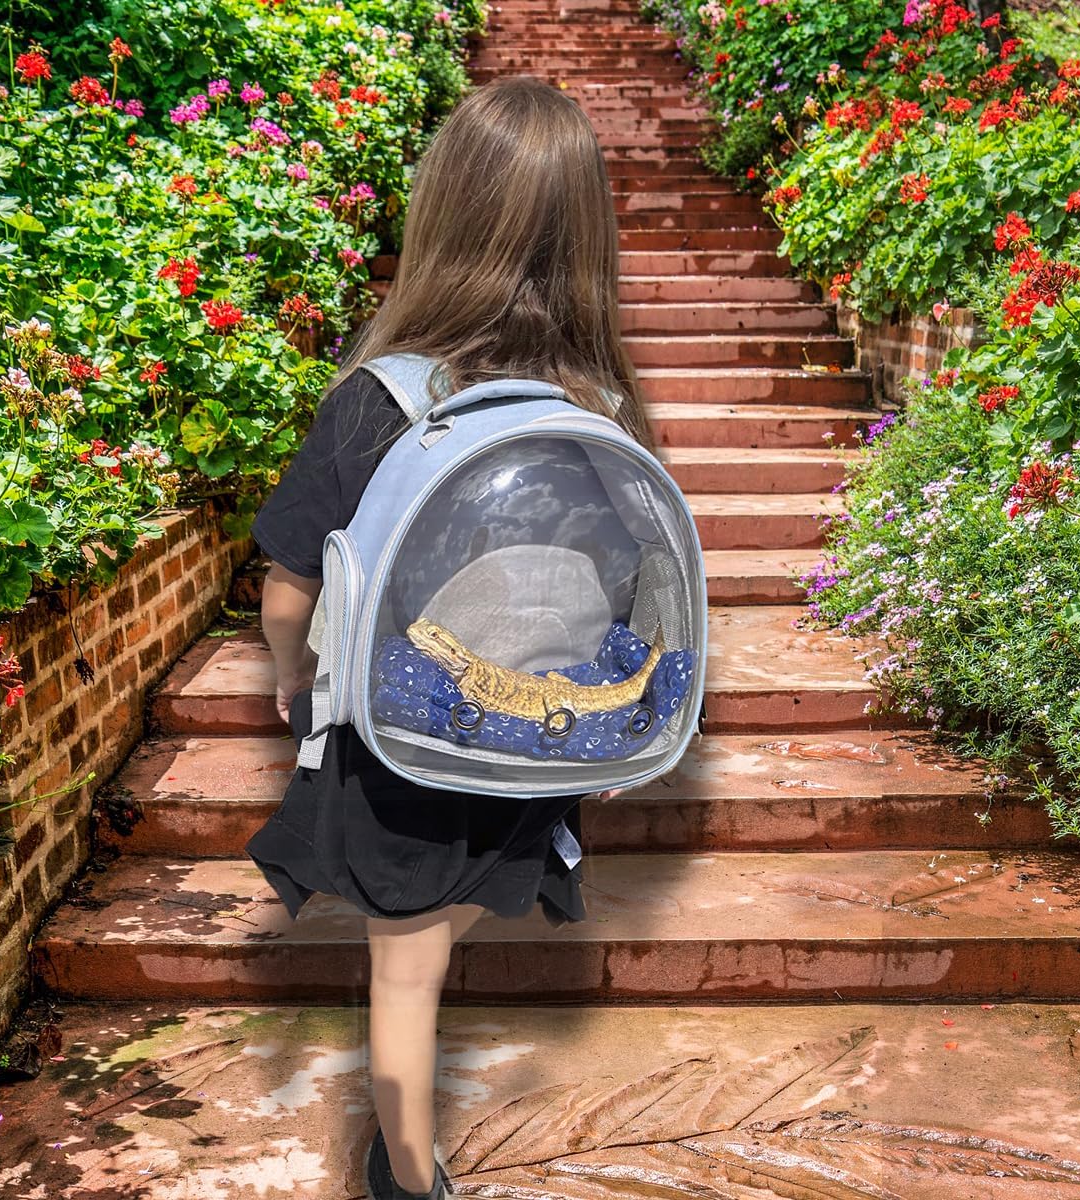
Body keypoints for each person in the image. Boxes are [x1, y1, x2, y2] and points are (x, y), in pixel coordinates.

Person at [245, 75, 656, 1200]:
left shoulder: (374, 400)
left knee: (405, 970)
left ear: (444, 214)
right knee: (442, 928)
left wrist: (293, 677)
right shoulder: (601, 405)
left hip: (399, 735)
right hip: (534, 736)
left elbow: (288, 583)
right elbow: (626, 580)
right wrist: (615, 731)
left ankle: (411, 1174)